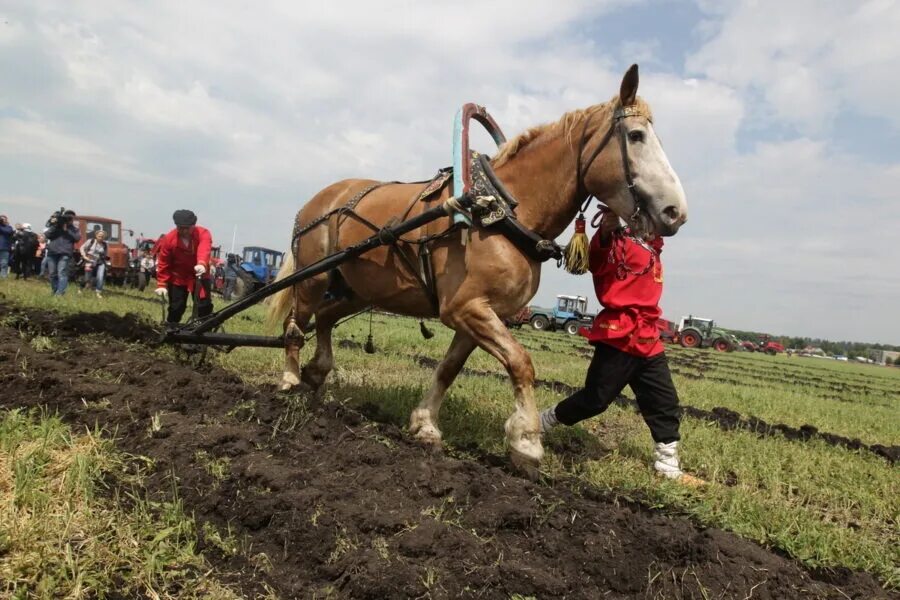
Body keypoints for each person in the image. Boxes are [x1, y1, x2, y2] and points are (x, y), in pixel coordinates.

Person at [539, 208, 704, 486]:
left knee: (664, 401)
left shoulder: (650, 245)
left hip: (648, 338)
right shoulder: (616, 241)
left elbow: (669, 222)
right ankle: (542, 422)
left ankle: (667, 465)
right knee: (595, 400)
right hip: (620, 335)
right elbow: (597, 255)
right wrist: (608, 225)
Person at [154, 209, 213, 326]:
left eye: (187, 228)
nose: (184, 231)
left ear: (193, 226)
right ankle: (171, 328)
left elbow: (204, 248)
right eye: (181, 228)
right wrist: (162, 284)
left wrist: (201, 263)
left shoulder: (203, 233)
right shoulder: (168, 239)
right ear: (176, 226)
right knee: (177, 307)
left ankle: (204, 329)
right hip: (178, 278)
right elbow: (164, 263)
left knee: (204, 306)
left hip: (200, 275)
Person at [44, 208, 81, 296]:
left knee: (62, 272)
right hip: (52, 252)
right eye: (67, 218)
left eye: (70, 218)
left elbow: (77, 238)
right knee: (52, 274)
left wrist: (67, 230)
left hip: (65, 253)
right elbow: (47, 235)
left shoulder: (74, 229)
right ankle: (55, 290)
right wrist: (56, 226)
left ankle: (60, 293)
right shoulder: (56, 226)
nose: (69, 220)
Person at [80, 229, 109, 298]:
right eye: (99, 236)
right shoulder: (91, 241)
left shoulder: (105, 245)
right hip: (89, 261)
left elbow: (106, 254)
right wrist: (84, 256)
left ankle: (98, 292)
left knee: (100, 277)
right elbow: (82, 248)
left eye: (102, 236)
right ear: (96, 236)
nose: (101, 237)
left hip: (100, 262)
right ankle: (81, 288)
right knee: (87, 277)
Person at [0, 214, 13, 278]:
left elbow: (8, 232)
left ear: (6, 220)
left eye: (3, 219)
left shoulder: (8, 227)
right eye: (1, 219)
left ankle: (3, 276)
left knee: (4, 263)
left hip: (4, 248)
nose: (2, 220)